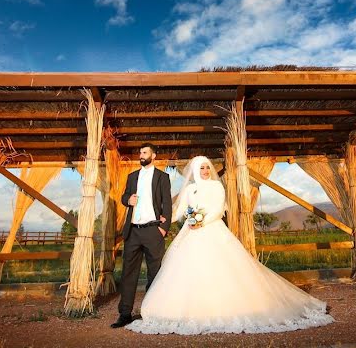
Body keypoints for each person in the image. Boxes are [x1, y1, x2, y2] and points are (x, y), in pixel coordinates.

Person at [126, 156, 334, 335]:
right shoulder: (189, 190)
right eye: (201, 168)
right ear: (195, 172)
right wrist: (160, 222)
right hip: (190, 234)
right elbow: (179, 211)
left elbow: (217, 209)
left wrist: (200, 222)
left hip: (212, 230)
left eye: (207, 167)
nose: (205, 171)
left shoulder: (217, 187)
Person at [111, 143, 172, 328]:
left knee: (155, 273)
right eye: (140, 152)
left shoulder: (162, 177)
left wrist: (164, 228)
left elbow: (167, 203)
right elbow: (124, 197)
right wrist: (127, 200)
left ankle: (152, 312)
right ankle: (125, 314)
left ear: (153, 156)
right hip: (133, 231)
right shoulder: (132, 177)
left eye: (145, 152)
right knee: (129, 273)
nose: (141, 155)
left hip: (153, 230)